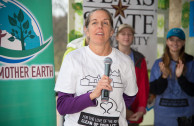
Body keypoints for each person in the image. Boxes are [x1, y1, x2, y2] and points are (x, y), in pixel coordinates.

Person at [54, 8, 138, 126]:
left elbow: (129, 97)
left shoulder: (125, 61)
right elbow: (63, 106)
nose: (100, 26)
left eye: (105, 23)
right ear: (86, 31)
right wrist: (92, 95)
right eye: (94, 22)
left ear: (111, 32)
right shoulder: (73, 58)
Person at [149, 28, 194, 126]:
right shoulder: (158, 63)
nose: (175, 43)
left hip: (186, 116)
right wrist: (164, 76)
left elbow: (192, 91)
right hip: (163, 116)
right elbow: (154, 90)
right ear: (167, 41)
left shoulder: (191, 62)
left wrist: (181, 77)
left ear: (183, 42)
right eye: (172, 39)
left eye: (179, 40)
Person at [115, 24, 149, 126]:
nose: (126, 37)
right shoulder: (108, 57)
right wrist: (122, 110)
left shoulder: (139, 59)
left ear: (133, 38)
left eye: (129, 34)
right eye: (123, 34)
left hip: (133, 113)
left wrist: (141, 109)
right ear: (117, 37)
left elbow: (143, 86)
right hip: (112, 111)